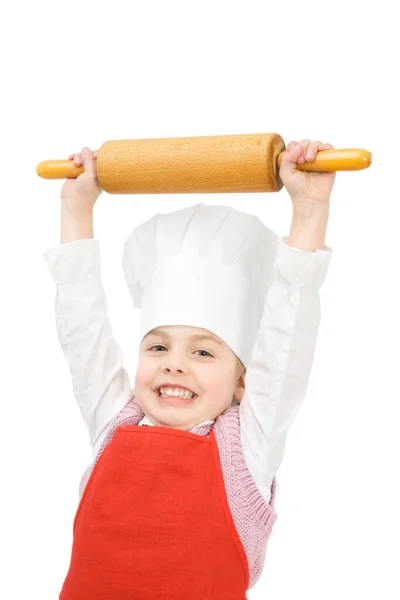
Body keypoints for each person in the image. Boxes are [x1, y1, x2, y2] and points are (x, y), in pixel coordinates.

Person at [42, 139, 335, 599]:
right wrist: (77, 208)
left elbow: (287, 338)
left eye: (203, 353)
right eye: (158, 347)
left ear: (243, 383)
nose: (174, 365)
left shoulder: (247, 447)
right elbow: (84, 330)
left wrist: (310, 210)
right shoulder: (113, 421)